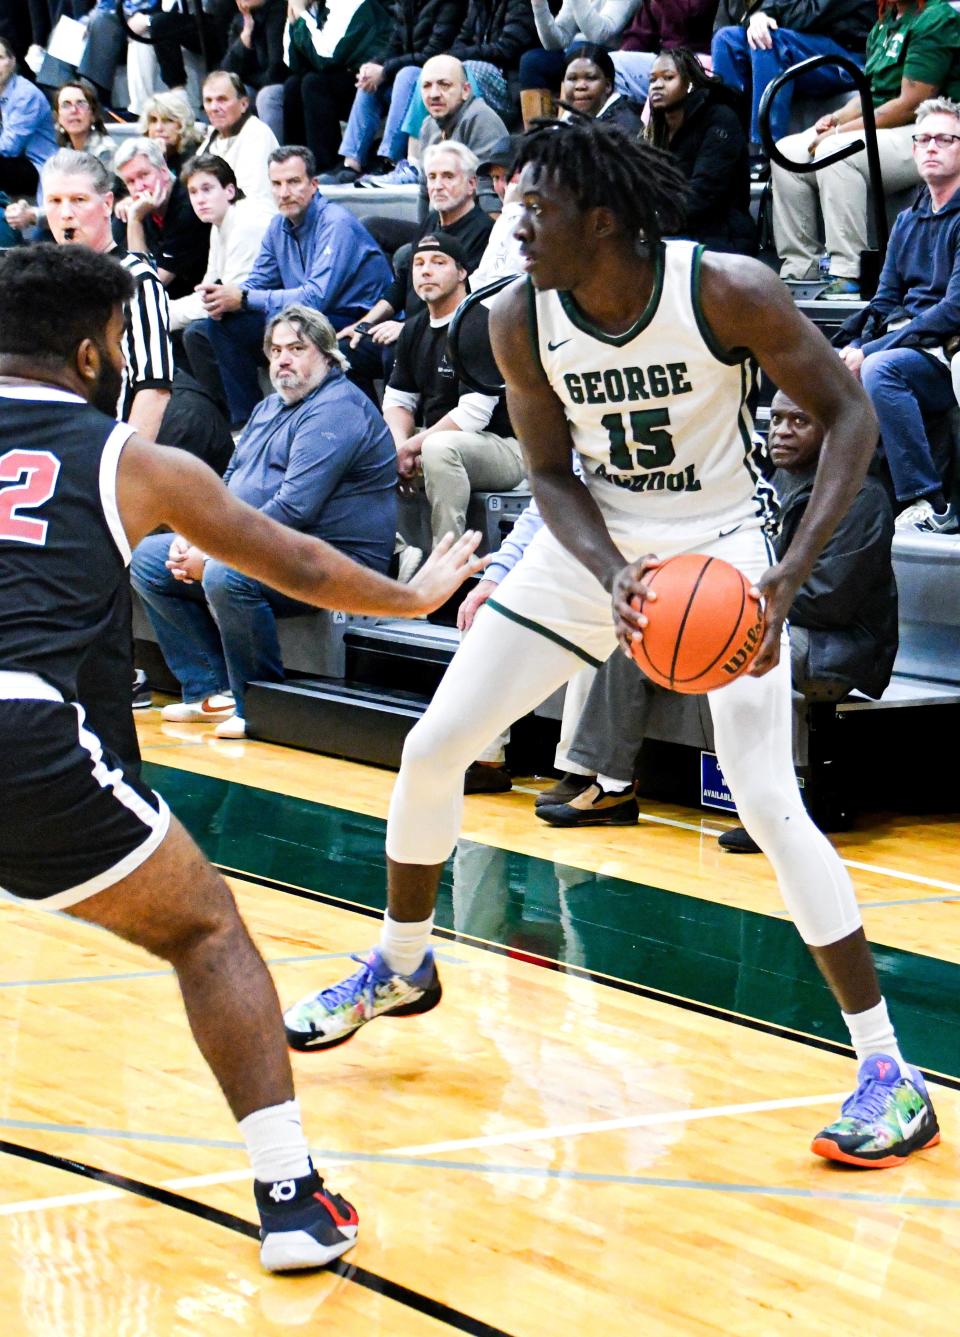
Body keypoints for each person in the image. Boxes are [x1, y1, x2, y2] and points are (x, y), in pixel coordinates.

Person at [284, 117, 942, 1172]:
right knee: (435, 743)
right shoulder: (517, 318)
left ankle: (887, 1069)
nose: (515, 227)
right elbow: (547, 474)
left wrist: (778, 579)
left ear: (600, 218)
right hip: (593, 550)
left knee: (769, 802)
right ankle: (402, 962)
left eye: (533, 210)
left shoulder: (723, 288)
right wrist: (609, 571)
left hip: (722, 555)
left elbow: (849, 419)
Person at [0, 241, 484, 1271]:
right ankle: (291, 1199)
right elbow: (298, 560)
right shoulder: (128, 459)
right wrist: (413, 595)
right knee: (207, 931)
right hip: (22, 732)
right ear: (95, 354)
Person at [132, 303, 398, 737]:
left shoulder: (337, 408)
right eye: (275, 351)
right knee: (148, 557)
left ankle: (261, 704)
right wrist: (195, 535)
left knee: (226, 574)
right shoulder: (269, 407)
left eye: (297, 348)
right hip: (269, 546)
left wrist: (215, 548)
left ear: (328, 355)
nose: (284, 360)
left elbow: (295, 508)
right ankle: (208, 691)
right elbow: (229, 480)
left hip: (334, 559)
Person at [718, 388, 897, 852]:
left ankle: (774, 812)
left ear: (831, 431)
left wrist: (734, 606)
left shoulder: (862, 496)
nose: (780, 430)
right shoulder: (764, 482)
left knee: (747, 656)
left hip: (840, 643)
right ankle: (606, 779)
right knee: (635, 635)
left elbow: (828, 599)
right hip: (776, 621)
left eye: (799, 421)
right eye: (776, 419)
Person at [772, 0, 960, 299]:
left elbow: (911, 104)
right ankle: (800, 267)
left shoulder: (936, 18)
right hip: (886, 125)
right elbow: (868, 94)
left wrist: (838, 132)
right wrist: (835, 118)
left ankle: (849, 272)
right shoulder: (885, 22)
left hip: (932, 131)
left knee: (836, 151)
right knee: (786, 152)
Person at [195, 144, 392, 426]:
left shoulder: (336, 223)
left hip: (355, 319)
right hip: (309, 317)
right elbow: (256, 283)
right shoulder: (278, 226)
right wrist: (224, 301)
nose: (284, 192)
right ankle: (246, 425)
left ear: (314, 184)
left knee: (299, 329)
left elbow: (316, 298)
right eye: (276, 184)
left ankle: (366, 428)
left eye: (293, 182)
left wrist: (245, 298)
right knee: (217, 326)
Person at [836, 97, 960, 532]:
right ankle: (840, 498)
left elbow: (954, 310)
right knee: (830, 361)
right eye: (922, 139)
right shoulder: (908, 219)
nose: (931, 147)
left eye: (944, 139)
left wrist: (871, 349)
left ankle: (926, 499)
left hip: (947, 351)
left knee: (881, 369)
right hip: (906, 342)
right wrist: (853, 344)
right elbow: (885, 298)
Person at [384, 233, 521, 558]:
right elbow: (397, 400)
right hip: (438, 441)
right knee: (363, 444)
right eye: (418, 263)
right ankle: (398, 555)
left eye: (438, 262)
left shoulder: (480, 323)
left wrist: (412, 446)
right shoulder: (414, 328)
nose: (426, 271)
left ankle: (448, 562)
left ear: (462, 273)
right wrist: (397, 446)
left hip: (504, 448)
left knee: (438, 448)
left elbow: (474, 414)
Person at [338, 142, 494, 394]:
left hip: (447, 336)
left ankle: (405, 426)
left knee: (395, 353)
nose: (438, 185)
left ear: (472, 185)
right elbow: (402, 285)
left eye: (448, 176)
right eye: (432, 177)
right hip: (412, 330)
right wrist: (363, 324)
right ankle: (373, 425)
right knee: (344, 351)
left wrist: (406, 329)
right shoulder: (431, 222)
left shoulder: (484, 231)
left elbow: (464, 300)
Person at [711, 0, 875, 174]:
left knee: (769, 40)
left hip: (850, 55)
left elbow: (808, 15)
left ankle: (765, 149)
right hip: (807, 42)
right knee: (726, 39)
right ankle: (725, 143)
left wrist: (764, 16)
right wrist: (758, 17)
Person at [320, 0, 467, 184]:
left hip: (434, 79)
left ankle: (389, 161)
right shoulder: (407, 4)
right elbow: (394, 46)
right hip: (406, 83)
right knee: (369, 83)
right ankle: (351, 163)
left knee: (408, 74)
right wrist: (375, 64)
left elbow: (434, 53)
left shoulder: (449, 4)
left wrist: (385, 70)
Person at [645, 47, 757, 254]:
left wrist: (653, 221)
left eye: (668, 78)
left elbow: (704, 193)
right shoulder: (658, 128)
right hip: (679, 233)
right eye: (652, 80)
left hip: (723, 239)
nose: (657, 86)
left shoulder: (720, 118)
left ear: (689, 83)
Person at [280, 0, 393, 174]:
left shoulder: (352, 4)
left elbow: (327, 58)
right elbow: (294, 64)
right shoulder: (315, 7)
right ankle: (296, 166)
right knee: (293, 85)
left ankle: (326, 166)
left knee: (314, 83)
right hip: (344, 77)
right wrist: (293, 21)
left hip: (375, 84)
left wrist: (302, 15)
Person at [4, 77, 113, 236]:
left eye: (81, 104)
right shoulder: (61, 155)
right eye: (66, 105)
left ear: (93, 114)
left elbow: (93, 208)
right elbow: (51, 204)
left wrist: (33, 215)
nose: (74, 111)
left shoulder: (105, 151)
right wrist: (24, 209)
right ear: (58, 117)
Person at [114, 136, 212, 301]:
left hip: (195, 305)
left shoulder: (188, 206)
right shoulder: (134, 208)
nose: (139, 187)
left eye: (144, 175)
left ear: (164, 172)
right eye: (130, 181)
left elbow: (146, 286)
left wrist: (135, 221)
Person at [522, 0, 642, 123]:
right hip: (576, 53)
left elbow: (600, 34)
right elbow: (556, 41)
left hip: (611, 57)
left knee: (577, 51)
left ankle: (564, 129)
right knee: (531, 61)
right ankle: (535, 137)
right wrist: (539, 6)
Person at [196, 68, 279, 207]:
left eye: (222, 99)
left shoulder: (257, 135)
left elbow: (254, 200)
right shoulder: (211, 140)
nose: (214, 107)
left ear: (244, 104)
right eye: (208, 101)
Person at [0, 34, 58, 196]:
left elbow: (9, 147)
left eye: (0, 58)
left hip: (40, 167)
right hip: (14, 164)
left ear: (12, 62)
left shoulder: (25, 95)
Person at [558, 43, 644, 135]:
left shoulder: (624, 127)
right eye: (572, 78)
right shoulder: (569, 119)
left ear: (607, 86)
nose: (580, 86)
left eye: (590, 78)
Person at [138, 88, 205, 176]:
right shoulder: (140, 156)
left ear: (182, 124)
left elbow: (182, 188)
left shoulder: (197, 157)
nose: (159, 128)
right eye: (153, 120)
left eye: (168, 120)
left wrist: (160, 162)